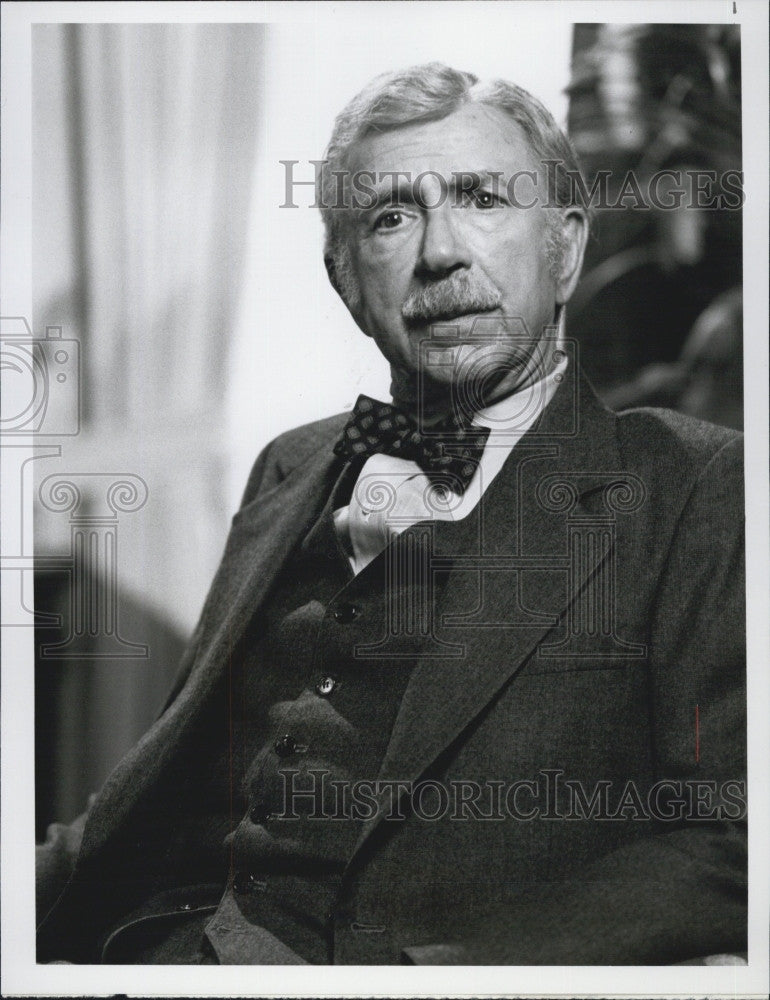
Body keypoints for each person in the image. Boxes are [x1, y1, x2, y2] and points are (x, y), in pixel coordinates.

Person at [36, 63, 746, 966]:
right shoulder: (292, 464)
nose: (440, 252)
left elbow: (733, 840)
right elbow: (156, 795)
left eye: (483, 198)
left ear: (564, 250)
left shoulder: (696, 486)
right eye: (392, 216)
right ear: (345, 279)